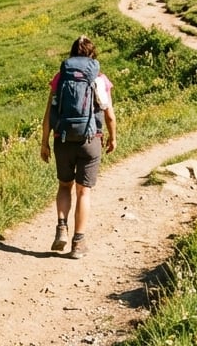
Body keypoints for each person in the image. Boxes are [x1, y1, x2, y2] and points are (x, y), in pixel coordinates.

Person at [40, 36, 116, 259]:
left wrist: (44, 143)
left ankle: (61, 228)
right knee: (84, 191)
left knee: (65, 186)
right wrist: (113, 138)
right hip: (90, 140)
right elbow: (109, 115)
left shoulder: (60, 78)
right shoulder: (99, 79)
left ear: (72, 55)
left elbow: (48, 115)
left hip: (62, 139)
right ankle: (78, 243)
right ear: (93, 56)